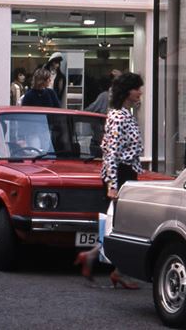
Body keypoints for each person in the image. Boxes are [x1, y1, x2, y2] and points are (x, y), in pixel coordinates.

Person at [75, 73, 144, 289]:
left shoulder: (125, 114)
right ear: (127, 91)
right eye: (137, 88)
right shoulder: (118, 116)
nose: (140, 92)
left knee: (118, 224)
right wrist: (113, 185)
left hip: (126, 172)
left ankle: (99, 260)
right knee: (123, 224)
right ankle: (116, 269)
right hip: (120, 174)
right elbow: (112, 153)